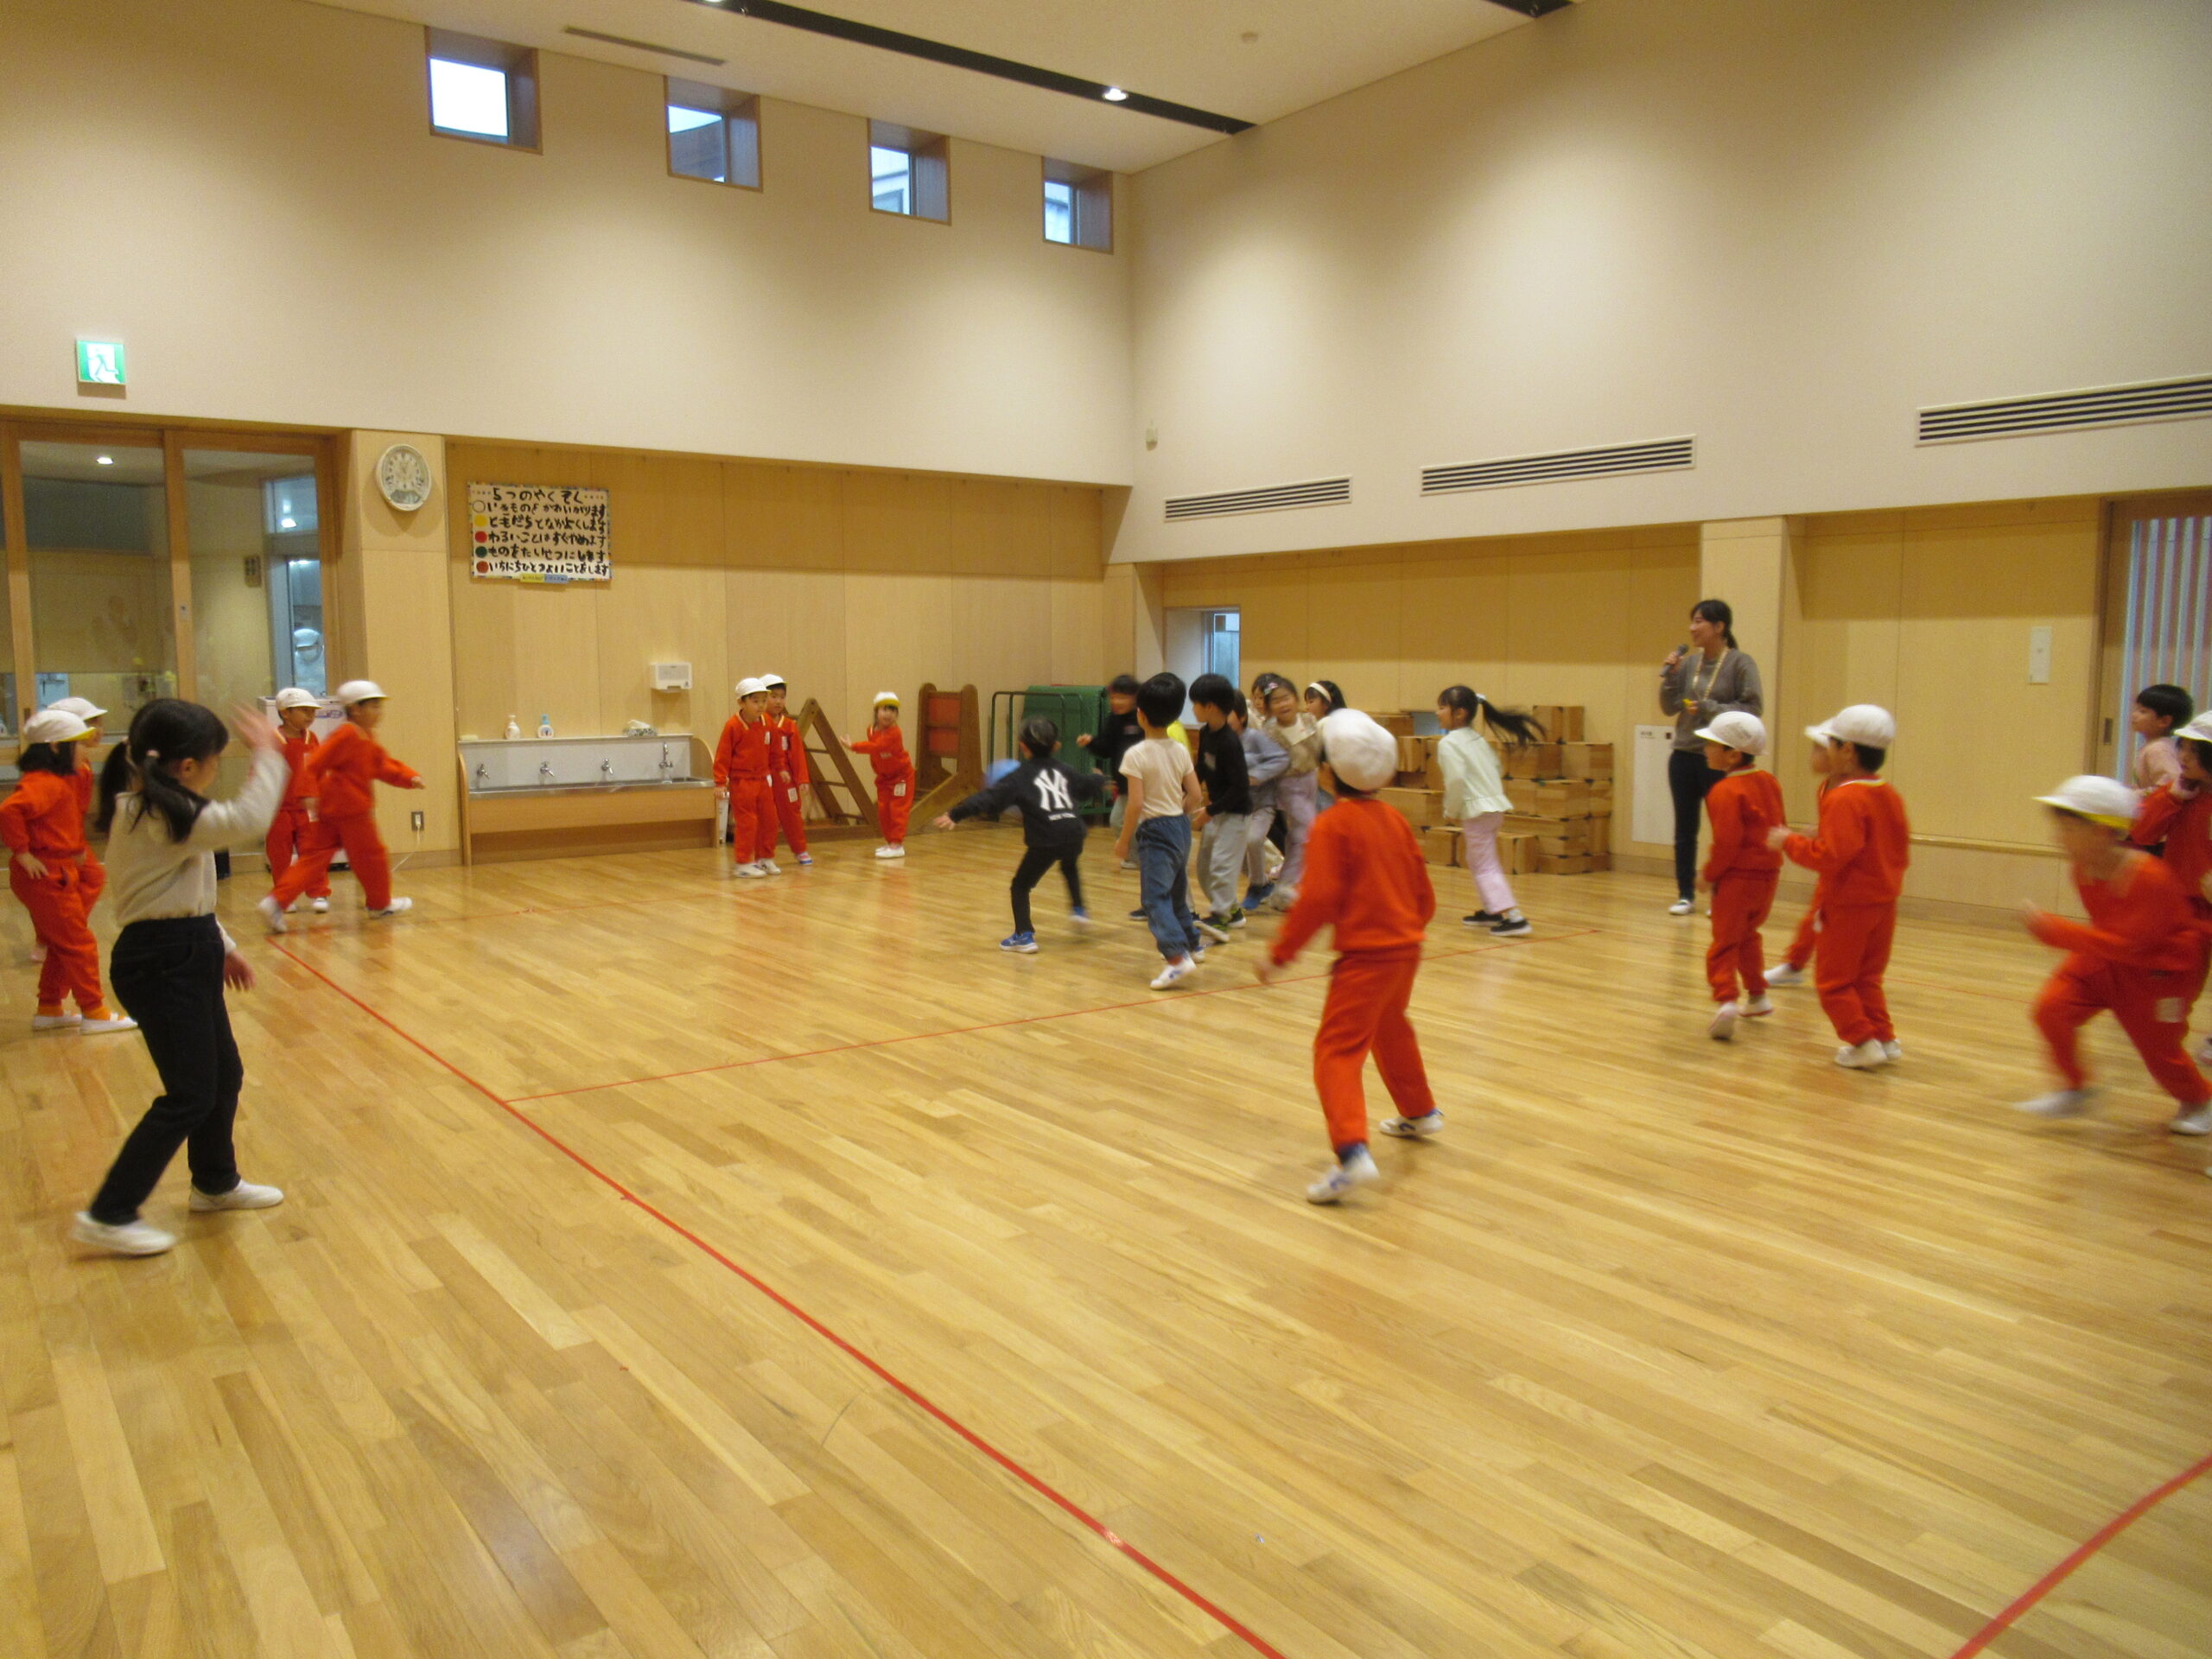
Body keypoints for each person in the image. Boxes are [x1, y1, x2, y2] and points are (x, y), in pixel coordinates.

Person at [72, 698, 288, 1256]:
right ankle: (109, 1212)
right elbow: (248, 820)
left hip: (184, 949)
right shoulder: (161, 816)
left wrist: (223, 947)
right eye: (216, 757)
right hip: (163, 960)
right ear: (188, 766)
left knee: (223, 1075)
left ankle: (214, 1183)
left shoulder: (162, 808)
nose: (218, 766)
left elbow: (184, 895)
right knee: (190, 1094)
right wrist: (269, 754)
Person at [1257, 709, 1440, 1205]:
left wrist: (1280, 954)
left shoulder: (1333, 825)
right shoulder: (1395, 820)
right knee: (1390, 1025)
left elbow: (1316, 902)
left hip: (1365, 960)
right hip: (1406, 952)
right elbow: (1424, 895)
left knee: (1335, 1052)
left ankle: (1351, 1152)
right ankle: (1420, 1110)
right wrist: (1408, 931)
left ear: (1328, 772)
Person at [2014, 774, 2211, 1135]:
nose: (2058, 837)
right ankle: (2076, 1088)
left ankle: (2200, 1099)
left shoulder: (2149, 877)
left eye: (2068, 828)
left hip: (2160, 974)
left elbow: (2132, 945)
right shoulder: (2082, 869)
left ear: (2103, 832)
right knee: (2052, 1009)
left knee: (2160, 1054)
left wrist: (2057, 931)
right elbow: (2111, 940)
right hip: (2109, 958)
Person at [1768, 705, 1909, 1070]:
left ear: (1847, 751)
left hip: (1849, 904)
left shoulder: (1845, 797)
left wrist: (1789, 842)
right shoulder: (1888, 793)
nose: (1824, 749)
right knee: (1867, 977)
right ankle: (1884, 1038)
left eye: (1830, 743)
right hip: (1884, 903)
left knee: (1833, 982)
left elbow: (1831, 857)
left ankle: (1862, 1042)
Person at [3, 709, 135, 1033]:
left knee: (65, 942)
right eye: (78, 745)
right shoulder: (44, 782)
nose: (84, 751)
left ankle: (50, 1007)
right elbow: (9, 811)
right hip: (48, 875)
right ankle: (94, 1011)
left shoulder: (56, 780)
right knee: (79, 943)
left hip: (57, 869)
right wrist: (22, 853)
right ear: (55, 747)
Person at [258, 680, 424, 928]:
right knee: (372, 856)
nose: (379, 712)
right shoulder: (347, 734)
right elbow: (315, 762)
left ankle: (275, 903)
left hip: (333, 807)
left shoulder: (364, 735)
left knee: (313, 858)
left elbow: (382, 765)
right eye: (373, 706)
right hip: (351, 809)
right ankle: (380, 905)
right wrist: (307, 792)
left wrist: (408, 777)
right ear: (355, 709)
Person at [935, 715, 1104, 951]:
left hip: (1047, 837)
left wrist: (956, 814)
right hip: (1074, 832)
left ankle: (1024, 935)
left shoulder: (1019, 777)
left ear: (1022, 746)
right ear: (1056, 746)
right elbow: (1086, 786)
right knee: (1069, 866)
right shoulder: (1065, 769)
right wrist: (1099, 778)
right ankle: (1079, 910)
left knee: (1021, 886)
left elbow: (989, 798)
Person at [1660, 599, 1764, 915]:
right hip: (1684, 754)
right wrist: (1670, 677)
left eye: (1699, 621)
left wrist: (1709, 708)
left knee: (1725, 831)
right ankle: (1685, 894)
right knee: (1684, 830)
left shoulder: (1741, 663)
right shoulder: (1688, 664)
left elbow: (1753, 708)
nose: (1692, 628)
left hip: (1720, 759)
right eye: (1692, 621)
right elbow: (1669, 707)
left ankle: (1722, 893)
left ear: (1720, 627)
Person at [1112, 671, 1211, 988]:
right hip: (1180, 827)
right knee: (1177, 894)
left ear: (1140, 714)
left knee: (1155, 899)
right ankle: (1192, 945)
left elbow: (1135, 804)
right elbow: (1195, 795)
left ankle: (1176, 958)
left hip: (1155, 831)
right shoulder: (1180, 750)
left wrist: (1124, 840)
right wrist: (1180, 815)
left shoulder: (1136, 755)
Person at [1694, 711, 1785, 1039]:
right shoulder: (1770, 782)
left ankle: (1727, 1000)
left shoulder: (1724, 791)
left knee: (1724, 941)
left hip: (1737, 879)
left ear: (1732, 755)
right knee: (1748, 935)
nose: (1705, 749)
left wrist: (1709, 875)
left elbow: (1727, 843)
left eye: (1711, 744)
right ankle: (1757, 996)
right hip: (1769, 876)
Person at [2132, 712, 2212, 1065]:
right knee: (2180, 980)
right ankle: (2167, 1039)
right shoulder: (2181, 792)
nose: (2184, 756)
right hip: (2183, 907)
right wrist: (2172, 798)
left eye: (2195, 751)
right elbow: (2143, 832)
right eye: (2184, 748)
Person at [1434, 684, 1541, 937]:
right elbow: (1496, 768)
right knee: (1478, 860)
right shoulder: (1477, 739)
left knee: (1484, 864)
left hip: (1477, 811)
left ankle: (1515, 917)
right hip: (1494, 809)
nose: (1437, 712)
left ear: (1460, 713)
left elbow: (1456, 780)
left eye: (1442, 707)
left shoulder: (1449, 743)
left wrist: (1451, 809)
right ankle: (1493, 910)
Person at [1189, 673, 1254, 931]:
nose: (1193, 709)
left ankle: (1221, 917)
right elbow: (1202, 769)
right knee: (1205, 868)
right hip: (1217, 811)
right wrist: (1187, 791)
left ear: (1211, 707)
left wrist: (1210, 810)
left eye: (1196, 704)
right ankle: (1232, 912)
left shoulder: (1229, 742)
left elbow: (1241, 787)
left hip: (1235, 814)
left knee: (1221, 866)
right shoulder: (1206, 733)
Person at [1253, 674, 1320, 910]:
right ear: (1269, 707)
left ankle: (1285, 888)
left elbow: (1319, 750)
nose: (1283, 704)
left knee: (1297, 837)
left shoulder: (1308, 720)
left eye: (1286, 698)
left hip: (1311, 779)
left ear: (1295, 698)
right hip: (1289, 786)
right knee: (1309, 831)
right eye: (1276, 701)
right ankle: (1289, 887)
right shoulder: (1270, 732)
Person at [264, 687, 331, 914]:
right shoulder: (273, 740)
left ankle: (319, 892)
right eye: (304, 711)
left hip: (306, 808)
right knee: (280, 856)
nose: (310, 716)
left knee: (312, 852)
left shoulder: (312, 739)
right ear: (285, 713)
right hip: (278, 810)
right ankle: (285, 896)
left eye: (312, 712)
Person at [48, 695, 110, 918]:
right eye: (90, 724)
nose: (98, 730)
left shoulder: (81, 761)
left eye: (98, 724)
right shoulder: (69, 767)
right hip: (62, 838)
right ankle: (66, 926)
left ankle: (66, 926)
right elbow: (65, 811)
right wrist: (74, 846)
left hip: (71, 836)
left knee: (90, 879)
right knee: (85, 879)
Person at [1236, 690, 1290, 911]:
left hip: (1265, 802)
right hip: (1239, 805)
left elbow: (1281, 761)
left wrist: (1257, 776)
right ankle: (1262, 883)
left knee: (1255, 839)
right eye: (1256, 697)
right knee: (1236, 852)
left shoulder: (1259, 736)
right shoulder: (1221, 738)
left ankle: (1258, 885)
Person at [849, 692, 915, 858]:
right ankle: (890, 842)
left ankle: (897, 843)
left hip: (901, 777)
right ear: (876, 711)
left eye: (893, 710)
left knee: (897, 810)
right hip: (884, 777)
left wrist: (854, 746)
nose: (888, 714)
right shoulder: (871, 730)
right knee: (884, 810)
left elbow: (877, 747)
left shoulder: (895, 733)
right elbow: (876, 753)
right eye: (885, 709)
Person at [761, 674, 813, 866]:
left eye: (782, 697)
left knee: (792, 814)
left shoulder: (789, 726)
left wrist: (802, 779)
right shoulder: (758, 723)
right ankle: (764, 855)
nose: (778, 701)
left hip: (785, 778)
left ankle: (800, 850)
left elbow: (797, 754)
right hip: (764, 776)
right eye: (773, 696)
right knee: (767, 817)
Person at [2130, 684, 2193, 795]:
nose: (2134, 715)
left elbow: (2169, 786)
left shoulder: (2158, 749)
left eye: (2143, 711)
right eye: (2136, 709)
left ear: (2164, 721)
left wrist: (2134, 795)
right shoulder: (2157, 745)